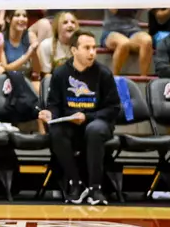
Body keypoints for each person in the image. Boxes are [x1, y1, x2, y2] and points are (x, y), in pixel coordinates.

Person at [43, 30, 120, 205]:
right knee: (56, 131)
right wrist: (50, 114)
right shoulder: (60, 73)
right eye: (87, 48)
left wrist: (87, 117)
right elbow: (54, 105)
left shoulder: (104, 74)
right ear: (74, 50)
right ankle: (75, 182)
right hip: (71, 123)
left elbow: (114, 108)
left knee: (94, 130)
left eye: (94, 48)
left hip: (97, 122)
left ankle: (95, 188)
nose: (92, 52)